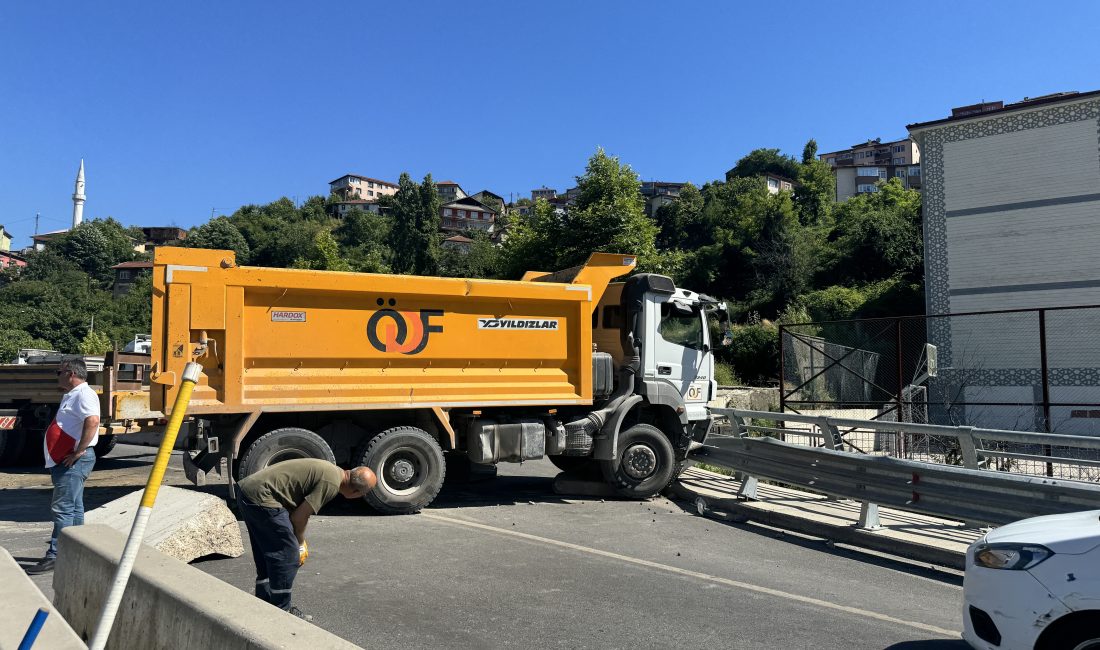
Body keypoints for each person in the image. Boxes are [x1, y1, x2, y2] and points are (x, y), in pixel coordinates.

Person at [236, 458, 376, 620]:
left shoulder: (332, 471)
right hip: (262, 497)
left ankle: (264, 600)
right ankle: (282, 610)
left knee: (267, 550)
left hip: (248, 491)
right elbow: (299, 518)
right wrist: (300, 543)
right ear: (356, 493)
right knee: (288, 555)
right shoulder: (330, 484)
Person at [26, 357, 101, 575]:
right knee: (74, 508)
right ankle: (76, 552)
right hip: (68, 460)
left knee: (63, 509)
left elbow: (93, 421)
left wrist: (78, 452)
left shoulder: (84, 394)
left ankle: (56, 556)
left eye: (58, 372)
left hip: (74, 461)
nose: (56, 376)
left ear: (70, 373)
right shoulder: (73, 395)